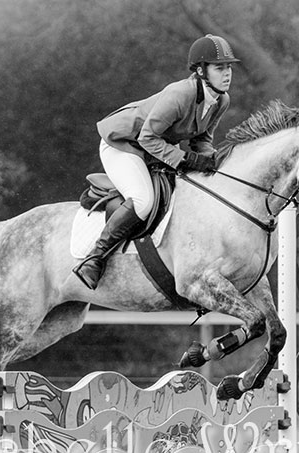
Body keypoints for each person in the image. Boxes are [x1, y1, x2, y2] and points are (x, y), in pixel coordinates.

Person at [73, 34, 240, 289]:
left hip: (153, 149)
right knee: (144, 200)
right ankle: (94, 258)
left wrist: (214, 164)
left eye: (229, 67)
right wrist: (186, 160)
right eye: (220, 68)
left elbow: (202, 141)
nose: (227, 73)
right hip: (123, 144)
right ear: (200, 70)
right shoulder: (179, 94)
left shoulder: (221, 100)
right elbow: (148, 137)